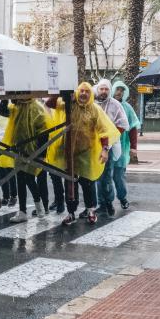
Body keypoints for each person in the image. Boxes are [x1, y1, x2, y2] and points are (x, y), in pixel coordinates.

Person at [46, 83, 119, 225]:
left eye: (87, 91)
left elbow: (103, 130)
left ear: (91, 94)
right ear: (77, 92)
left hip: (87, 152)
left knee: (87, 182)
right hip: (68, 152)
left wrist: (105, 149)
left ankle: (91, 210)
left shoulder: (95, 109)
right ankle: (71, 213)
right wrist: (60, 92)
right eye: (81, 91)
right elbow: (50, 103)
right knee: (70, 182)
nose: (84, 94)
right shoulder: (68, 105)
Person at [0, 99, 50, 223]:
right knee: (20, 180)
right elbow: (2, 111)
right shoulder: (17, 106)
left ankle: (39, 207)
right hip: (19, 150)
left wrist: (41, 154)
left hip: (33, 151)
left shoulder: (36, 108)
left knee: (29, 179)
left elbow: (44, 132)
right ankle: (23, 211)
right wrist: (5, 98)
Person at [93, 79, 128, 216]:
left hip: (109, 145)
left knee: (106, 176)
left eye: (106, 89)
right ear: (97, 89)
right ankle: (100, 203)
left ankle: (108, 202)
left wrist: (111, 137)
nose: (104, 91)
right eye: (101, 89)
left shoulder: (115, 105)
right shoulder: (92, 103)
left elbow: (123, 124)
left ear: (109, 90)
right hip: (93, 145)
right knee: (95, 176)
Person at [111, 81, 141, 209]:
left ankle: (122, 198)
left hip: (121, 147)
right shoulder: (106, 105)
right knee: (103, 177)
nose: (119, 92)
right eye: (117, 89)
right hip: (105, 146)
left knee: (119, 175)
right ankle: (104, 202)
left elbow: (133, 128)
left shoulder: (127, 108)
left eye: (122, 90)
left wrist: (134, 147)